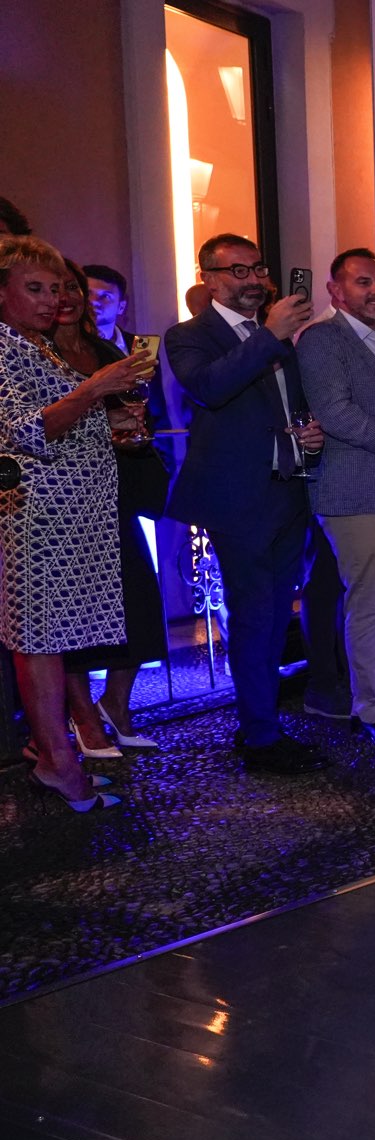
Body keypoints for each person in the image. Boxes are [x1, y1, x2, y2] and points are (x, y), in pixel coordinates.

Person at [164, 232, 327, 773]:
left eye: (257, 268)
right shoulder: (190, 336)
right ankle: (260, 735)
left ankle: (263, 721)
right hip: (237, 501)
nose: (253, 279)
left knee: (277, 616)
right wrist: (272, 335)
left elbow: (287, 406)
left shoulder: (275, 335)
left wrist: (310, 433)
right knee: (255, 615)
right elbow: (210, 388)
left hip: (288, 491)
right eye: (238, 271)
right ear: (208, 279)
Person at [0, 234, 151, 809]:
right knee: (38, 643)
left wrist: (112, 425)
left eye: (57, 288)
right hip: (37, 517)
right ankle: (60, 764)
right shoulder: (5, 345)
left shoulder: (35, 344)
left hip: (74, 515)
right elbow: (26, 431)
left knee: (52, 642)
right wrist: (96, 388)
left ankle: (52, 754)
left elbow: (64, 424)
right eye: (35, 288)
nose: (51, 299)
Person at [295, 249, 375, 747]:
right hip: (355, 492)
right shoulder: (324, 339)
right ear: (336, 290)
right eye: (363, 281)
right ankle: (372, 708)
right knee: (369, 604)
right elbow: (338, 415)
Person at [51, 260, 171, 756]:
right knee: (72, 616)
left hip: (114, 490)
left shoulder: (105, 350)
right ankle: (83, 717)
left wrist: (131, 421)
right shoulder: (36, 351)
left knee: (140, 603)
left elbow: (134, 415)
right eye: (53, 288)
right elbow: (39, 427)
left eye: (72, 288)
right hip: (61, 501)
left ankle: (115, 706)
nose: (66, 297)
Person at [83, 265, 133, 354]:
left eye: (105, 296)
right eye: (87, 294)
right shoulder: (62, 345)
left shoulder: (139, 348)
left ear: (121, 307)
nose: (94, 301)